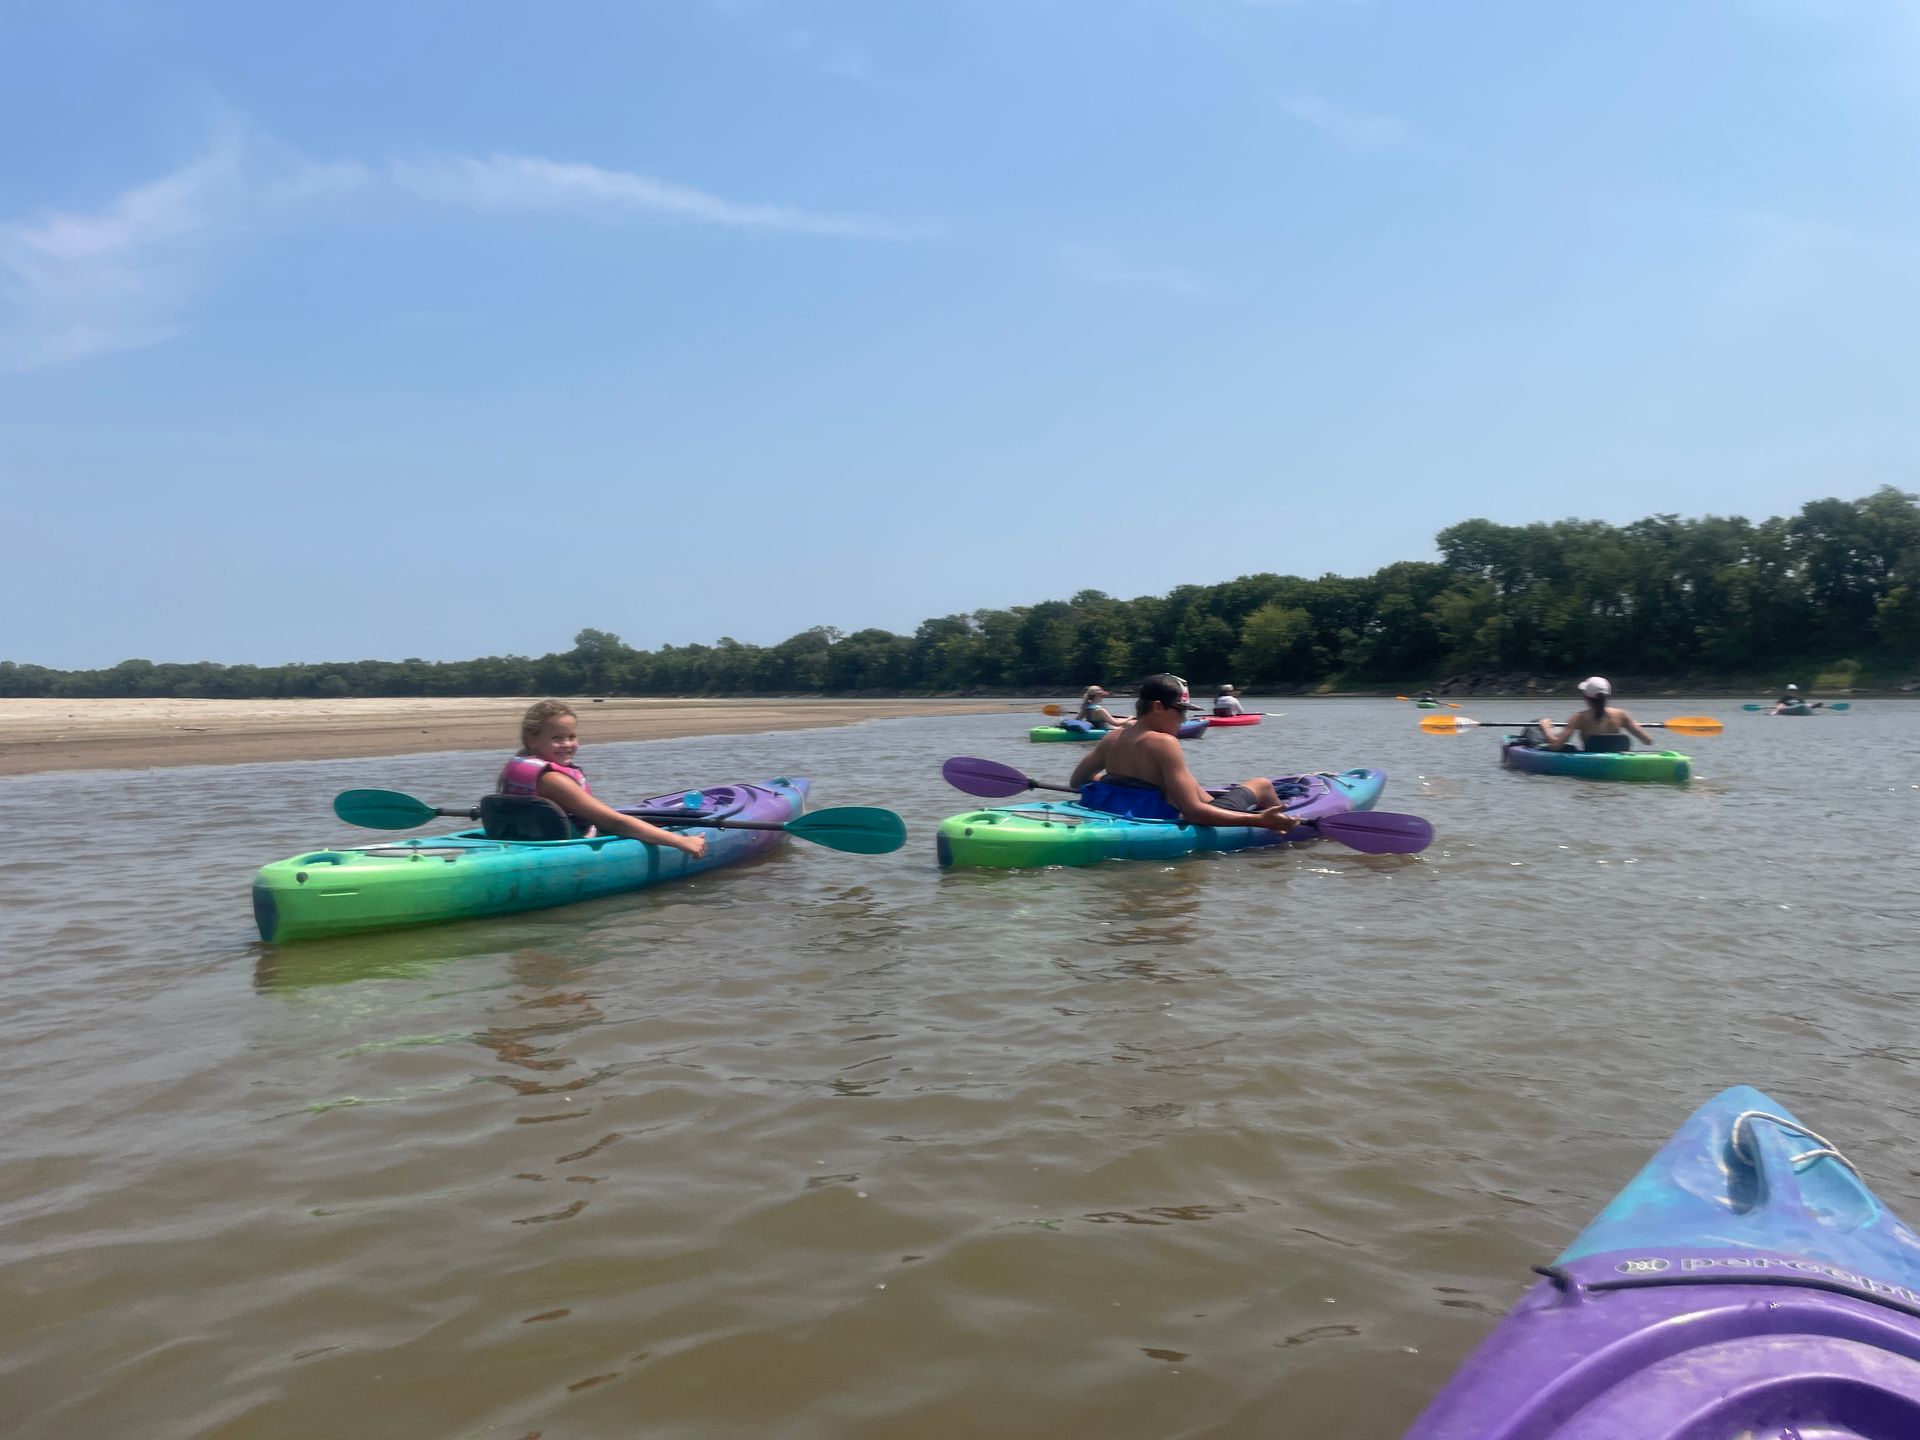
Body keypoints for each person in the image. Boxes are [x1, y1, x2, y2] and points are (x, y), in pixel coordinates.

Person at [1068, 675, 1302, 832]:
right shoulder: (1164, 742)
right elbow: (1193, 813)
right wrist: (1259, 821)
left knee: (1195, 788)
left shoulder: (1112, 737)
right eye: (1180, 711)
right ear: (1158, 707)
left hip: (1130, 812)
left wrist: (1122, 785)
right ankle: (1284, 826)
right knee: (1261, 784)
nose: (1183, 719)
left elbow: (1078, 781)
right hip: (1186, 815)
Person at [499, 700, 707, 858]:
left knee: (643, 821)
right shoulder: (553, 780)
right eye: (557, 738)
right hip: (564, 849)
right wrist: (680, 842)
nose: (567, 744)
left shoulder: (513, 768)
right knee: (628, 823)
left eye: (571, 737)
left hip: (521, 841)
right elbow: (614, 823)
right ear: (531, 739)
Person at [1533, 677, 1653, 754]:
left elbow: (1556, 746)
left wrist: (1545, 728)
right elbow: (1648, 741)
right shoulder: (1622, 715)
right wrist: (1636, 726)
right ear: (1608, 696)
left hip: (1591, 761)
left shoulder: (1579, 718)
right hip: (1615, 759)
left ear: (1585, 697)